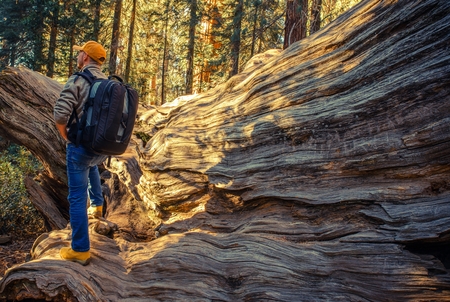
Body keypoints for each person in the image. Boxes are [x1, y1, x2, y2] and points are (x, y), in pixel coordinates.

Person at [54, 41, 108, 265]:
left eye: (80, 52)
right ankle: (97, 205)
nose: (78, 55)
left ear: (85, 57)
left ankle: (80, 249)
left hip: (80, 148)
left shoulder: (78, 80)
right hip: (102, 149)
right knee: (92, 164)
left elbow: (59, 114)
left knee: (76, 197)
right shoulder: (108, 83)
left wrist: (66, 136)